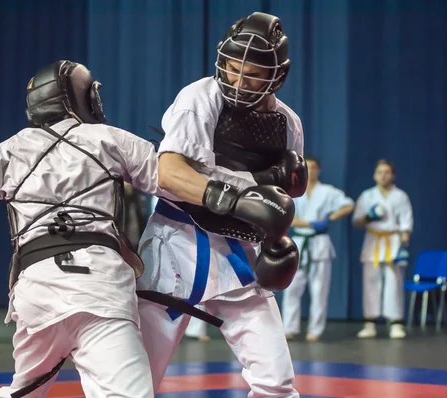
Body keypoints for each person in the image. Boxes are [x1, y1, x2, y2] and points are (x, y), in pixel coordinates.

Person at [0, 60, 172, 398]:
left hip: (37, 291)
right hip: (100, 291)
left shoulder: (9, 151)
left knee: (25, 390)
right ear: (83, 98)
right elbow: (177, 183)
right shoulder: (110, 139)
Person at [137, 12, 307, 397]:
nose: (238, 81)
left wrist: (275, 240)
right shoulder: (200, 96)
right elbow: (170, 173)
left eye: (252, 74)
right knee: (134, 383)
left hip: (238, 256)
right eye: (233, 69)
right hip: (175, 245)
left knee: (277, 383)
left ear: (275, 74)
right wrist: (242, 198)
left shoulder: (288, 123)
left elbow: (276, 202)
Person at [281, 157, 354, 341]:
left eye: (314, 167)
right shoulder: (293, 191)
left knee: (319, 289)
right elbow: (287, 216)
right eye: (307, 167)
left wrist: (330, 218)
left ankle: (315, 329)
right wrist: (308, 223)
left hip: (320, 243)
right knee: (292, 288)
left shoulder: (328, 192)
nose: (311, 171)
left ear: (319, 170)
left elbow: (348, 205)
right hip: (298, 242)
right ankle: (289, 328)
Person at [352, 159, 413, 339]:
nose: (383, 175)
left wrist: (403, 247)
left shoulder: (401, 196)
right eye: (380, 172)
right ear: (374, 175)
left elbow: (406, 224)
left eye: (387, 172)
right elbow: (357, 222)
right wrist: (368, 217)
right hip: (373, 240)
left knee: (394, 283)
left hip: (393, 240)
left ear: (393, 175)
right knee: (371, 282)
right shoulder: (367, 195)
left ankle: (395, 322)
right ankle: (369, 323)